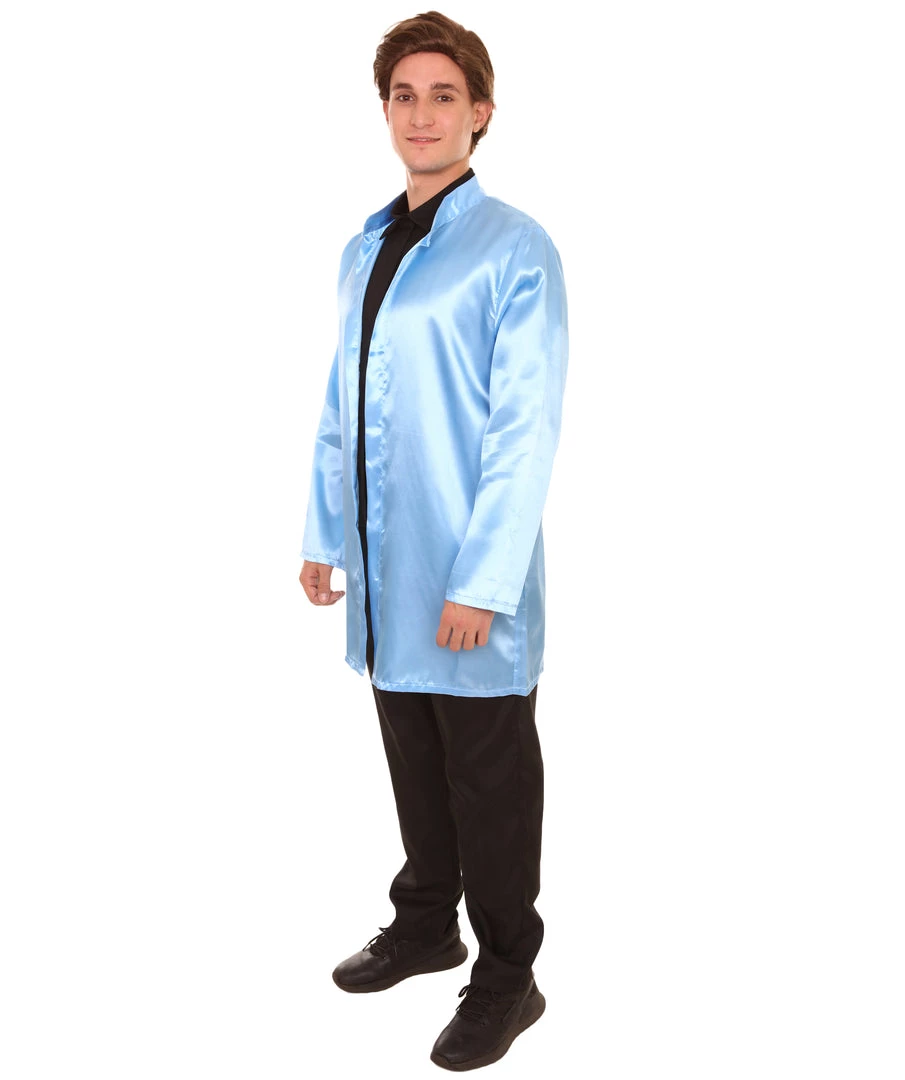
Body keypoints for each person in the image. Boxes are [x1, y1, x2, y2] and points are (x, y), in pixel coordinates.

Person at [298, 11, 568, 1072]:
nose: (421, 114)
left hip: (466, 577)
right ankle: (424, 924)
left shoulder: (515, 248)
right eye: (403, 95)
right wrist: (325, 534)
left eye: (442, 96)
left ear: (480, 113)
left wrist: (483, 582)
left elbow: (523, 429)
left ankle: (506, 976)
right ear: (384, 111)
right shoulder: (363, 247)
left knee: (487, 783)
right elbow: (341, 402)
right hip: (383, 566)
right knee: (412, 756)